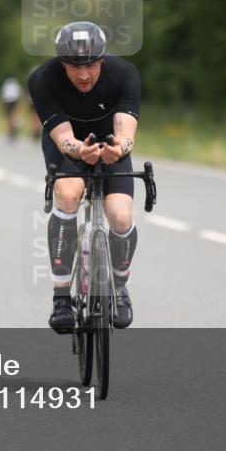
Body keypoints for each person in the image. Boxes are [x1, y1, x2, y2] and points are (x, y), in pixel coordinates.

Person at [28, 21, 141, 333]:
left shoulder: (124, 74)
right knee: (67, 194)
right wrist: (79, 151)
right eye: (74, 67)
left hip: (109, 142)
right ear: (61, 63)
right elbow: (62, 137)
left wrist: (120, 147)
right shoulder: (43, 79)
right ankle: (62, 296)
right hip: (67, 145)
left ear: (102, 60)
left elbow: (125, 130)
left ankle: (119, 286)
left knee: (120, 214)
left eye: (90, 65)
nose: (84, 75)